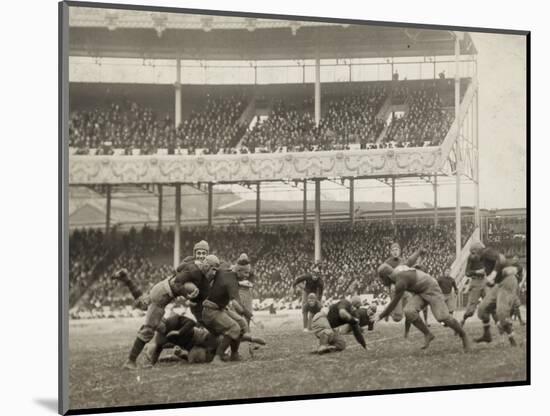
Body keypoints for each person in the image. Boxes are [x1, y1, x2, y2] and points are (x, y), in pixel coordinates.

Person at [376, 264, 471, 352]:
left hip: (431, 288)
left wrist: (380, 316)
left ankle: (463, 334)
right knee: (409, 311)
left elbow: (394, 303)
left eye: (381, 279)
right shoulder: (398, 273)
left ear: (387, 277)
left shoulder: (400, 281)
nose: (381, 282)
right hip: (420, 292)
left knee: (442, 317)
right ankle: (428, 334)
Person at [123, 274, 205, 370]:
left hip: (163, 292)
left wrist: (180, 354)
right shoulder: (177, 324)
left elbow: (160, 348)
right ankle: (130, 361)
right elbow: (190, 323)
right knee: (148, 329)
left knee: (144, 308)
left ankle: (127, 279)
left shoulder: (164, 338)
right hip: (164, 295)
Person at [201, 255, 266, 364]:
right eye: (245, 273)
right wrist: (253, 318)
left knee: (241, 324)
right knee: (234, 327)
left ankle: (234, 354)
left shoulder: (225, 271)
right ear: (239, 270)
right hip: (211, 311)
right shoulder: (231, 281)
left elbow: (217, 269)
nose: (247, 275)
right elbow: (237, 305)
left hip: (218, 309)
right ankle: (218, 357)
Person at [474, 248, 522, 346]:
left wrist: (494, 272)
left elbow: (501, 258)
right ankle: (487, 335)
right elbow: (491, 278)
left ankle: (512, 339)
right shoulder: (484, 260)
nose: (473, 255)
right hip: (499, 284)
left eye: (473, 252)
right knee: (482, 309)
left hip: (507, 281)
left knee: (502, 314)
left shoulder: (487, 252)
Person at [143, 313, 220, 366]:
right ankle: (181, 355)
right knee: (200, 359)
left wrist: (179, 332)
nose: (159, 327)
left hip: (200, 336)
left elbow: (191, 322)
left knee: (218, 343)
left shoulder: (174, 320)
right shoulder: (160, 337)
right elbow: (157, 351)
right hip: (191, 347)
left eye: (158, 324)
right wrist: (151, 364)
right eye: (156, 327)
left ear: (163, 319)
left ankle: (223, 352)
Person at [460, 241, 487, 327]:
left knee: (491, 302)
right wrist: (477, 272)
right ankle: (463, 319)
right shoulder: (471, 258)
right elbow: (467, 273)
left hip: (484, 281)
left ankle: (500, 324)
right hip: (475, 282)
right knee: (470, 311)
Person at [292, 264, 325, 332]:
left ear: (318, 276)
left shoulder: (320, 282)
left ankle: (310, 326)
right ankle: (305, 326)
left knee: (314, 309)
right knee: (305, 307)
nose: (315, 278)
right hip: (306, 291)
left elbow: (320, 293)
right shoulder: (307, 276)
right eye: (314, 276)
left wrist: (318, 301)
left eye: (316, 276)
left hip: (314, 293)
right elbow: (298, 280)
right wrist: (293, 287)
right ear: (312, 274)